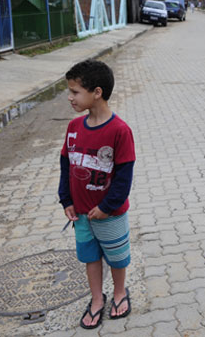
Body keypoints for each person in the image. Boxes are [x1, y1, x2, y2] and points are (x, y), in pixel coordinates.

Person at [58, 59, 135, 329]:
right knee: (90, 257)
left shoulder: (119, 131)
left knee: (116, 257)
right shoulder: (74, 127)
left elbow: (124, 177)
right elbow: (66, 165)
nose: (70, 97)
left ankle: (119, 293)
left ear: (97, 92)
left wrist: (106, 206)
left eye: (75, 91)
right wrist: (66, 200)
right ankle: (96, 299)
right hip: (81, 214)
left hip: (109, 214)